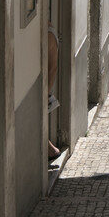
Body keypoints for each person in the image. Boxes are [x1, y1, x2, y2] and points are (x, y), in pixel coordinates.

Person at [47, 25, 61, 160]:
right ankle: (51, 150)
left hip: (43, 89)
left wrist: (46, 92)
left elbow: (53, 68)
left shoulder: (49, 35)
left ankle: (51, 151)